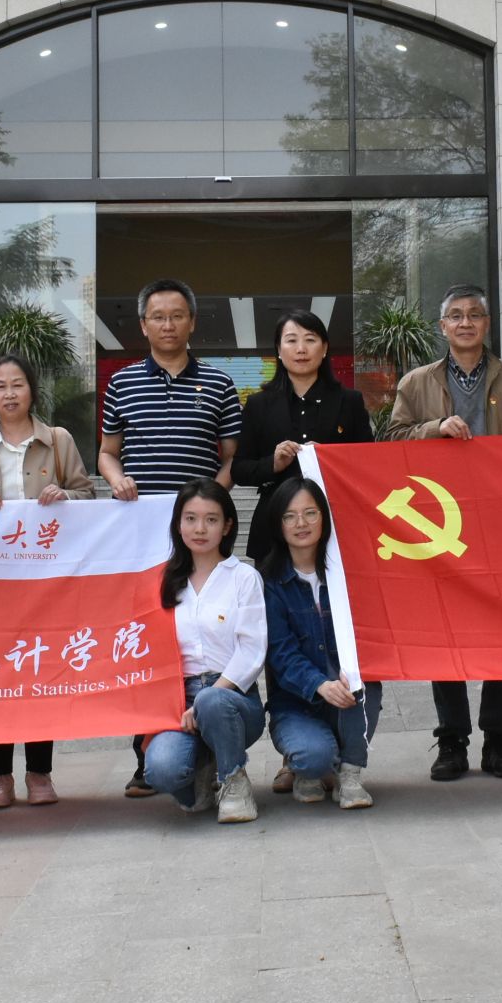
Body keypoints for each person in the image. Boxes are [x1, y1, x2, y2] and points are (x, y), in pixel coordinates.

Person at [386, 284, 502, 782]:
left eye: (475, 315)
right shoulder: (416, 382)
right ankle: (451, 741)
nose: (466, 323)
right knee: (446, 634)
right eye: (456, 316)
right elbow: (389, 439)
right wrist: (434, 428)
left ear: (487, 324)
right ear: (443, 327)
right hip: (440, 527)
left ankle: (500, 742)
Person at [99, 278, 243, 796]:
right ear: (143, 325)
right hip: (143, 541)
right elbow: (107, 452)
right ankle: (147, 755)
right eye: (157, 316)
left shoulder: (221, 383)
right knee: (148, 640)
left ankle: (212, 742)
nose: (167, 324)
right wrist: (116, 479)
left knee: (206, 638)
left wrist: (210, 506)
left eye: (177, 315)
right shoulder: (122, 383)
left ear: (192, 322)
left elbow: (230, 459)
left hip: (201, 536)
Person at [0, 353, 96, 810]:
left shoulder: (58, 441)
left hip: (47, 584)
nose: (10, 393)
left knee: (41, 674)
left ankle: (39, 773)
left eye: (17, 384)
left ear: (32, 390)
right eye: (0, 386)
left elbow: (88, 494)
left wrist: (65, 494)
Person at [141, 480, 267, 824]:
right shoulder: (163, 580)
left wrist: (208, 697)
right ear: (178, 523)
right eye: (191, 519)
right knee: (161, 770)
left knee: (211, 701)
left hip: (233, 700)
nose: (200, 529)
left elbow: (252, 651)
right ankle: (202, 773)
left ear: (227, 526)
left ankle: (234, 780)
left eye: (211, 520)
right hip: (177, 698)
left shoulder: (243, 577)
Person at [261, 477, 378, 810]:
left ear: (324, 518)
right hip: (296, 701)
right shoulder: (269, 583)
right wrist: (319, 684)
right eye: (290, 516)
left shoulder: (346, 574)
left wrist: (348, 672)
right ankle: (311, 766)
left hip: (344, 694)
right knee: (314, 757)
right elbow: (280, 654)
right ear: (279, 524)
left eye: (310, 513)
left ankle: (349, 774)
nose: (301, 523)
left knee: (368, 683)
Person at [229, 308, 373, 570]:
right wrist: (273, 463)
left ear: (324, 348)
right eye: (291, 340)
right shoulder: (258, 404)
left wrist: (331, 460)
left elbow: (369, 464)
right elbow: (239, 469)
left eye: (310, 339)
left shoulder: (349, 401)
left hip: (336, 524)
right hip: (273, 527)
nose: (301, 349)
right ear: (279, 350)